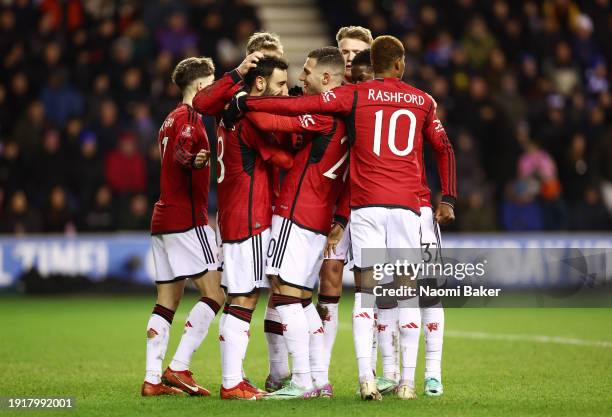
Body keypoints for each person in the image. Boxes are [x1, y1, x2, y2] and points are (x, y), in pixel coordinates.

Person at [231, 35, 456, 401]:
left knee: (366, 296)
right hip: (408, 206)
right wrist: (448, 196)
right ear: (399, 64)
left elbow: (301, 108)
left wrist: (248, 104)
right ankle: (411, 381)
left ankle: (366, 378)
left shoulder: (354, 96)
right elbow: (443, 147)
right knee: (410, 294)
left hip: (365, 206)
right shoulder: (423, 100)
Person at [243, 47, 348, 399]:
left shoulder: (324, 115)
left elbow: (275, 119)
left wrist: (244, 103)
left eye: (307, 72)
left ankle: (301, 380)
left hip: (297, 212)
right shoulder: (348, 119)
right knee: (302, 299)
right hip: (319, 218)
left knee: (285, 294)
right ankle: (320, 381)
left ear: (328, 79)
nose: (301, 79)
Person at [142, 56, 224, 397]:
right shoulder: (190, 118)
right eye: (214, 82)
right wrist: (194, 159)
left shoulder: (169, 118)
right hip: (187, 221)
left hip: (162, 218)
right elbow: (182, 153)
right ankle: (179, 366)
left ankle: (151, 379)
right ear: (202, 86)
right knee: (216, 293)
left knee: (166, 302)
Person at [216, 56, 294, 400]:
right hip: (248, 218)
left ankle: (235, 378)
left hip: (234, 215)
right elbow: (283, 160)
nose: (285, 91)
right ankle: (231, 383)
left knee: (241, 296)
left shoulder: (229, 115)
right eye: (280, 84)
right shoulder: (247, 121)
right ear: (259, 83)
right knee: (244, 297)